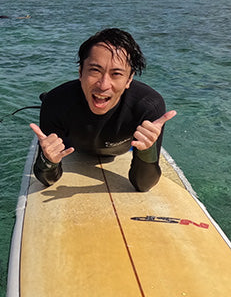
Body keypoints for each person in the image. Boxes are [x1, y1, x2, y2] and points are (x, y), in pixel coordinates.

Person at [29, 28, 176, 191]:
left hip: (123, 147)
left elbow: (143, 185)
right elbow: (46, 180)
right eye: (95, 71)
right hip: (74, 145)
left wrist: (147, 151)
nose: (103, 85)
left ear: (129, 79)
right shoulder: (55, 103)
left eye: (116, 74)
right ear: (80, 72)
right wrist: (49, 161)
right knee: (53, 98)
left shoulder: (148, 106)